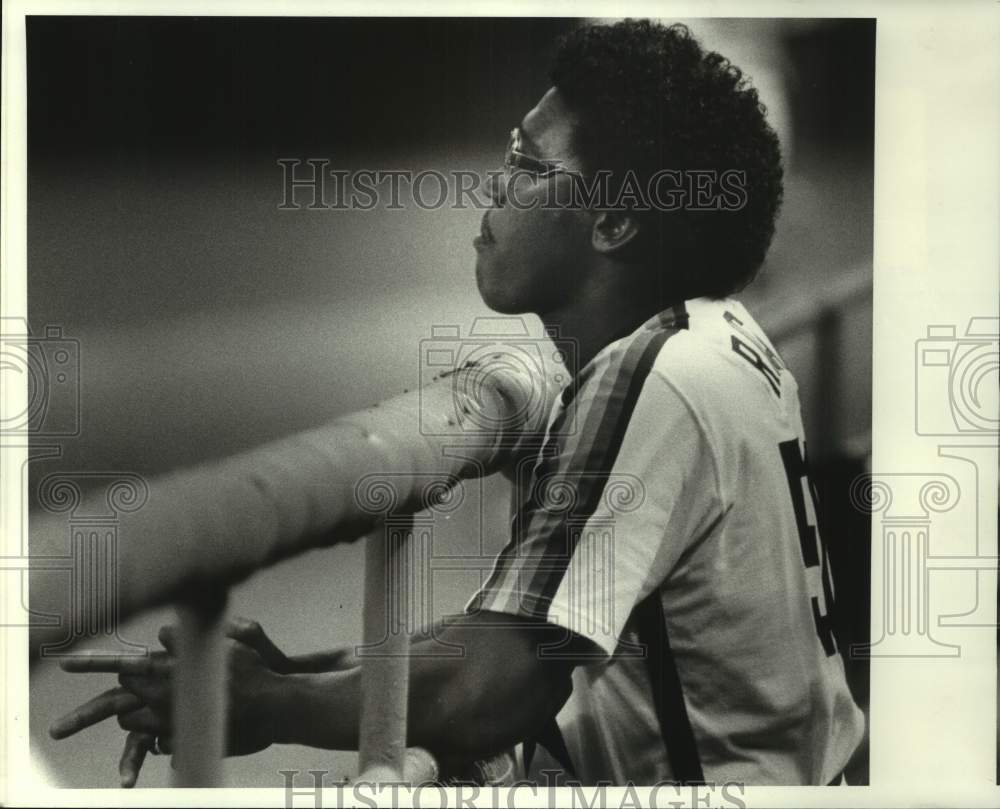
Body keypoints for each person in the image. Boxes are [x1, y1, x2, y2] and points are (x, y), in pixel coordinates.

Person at [50, 19, 864, 787]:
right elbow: (515, 632)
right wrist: (298, 671)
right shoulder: (722, 338)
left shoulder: (652, 377)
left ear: (614, 219)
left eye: (526, 161)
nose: (495, 183)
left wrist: (264, 702)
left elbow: (497, 689)